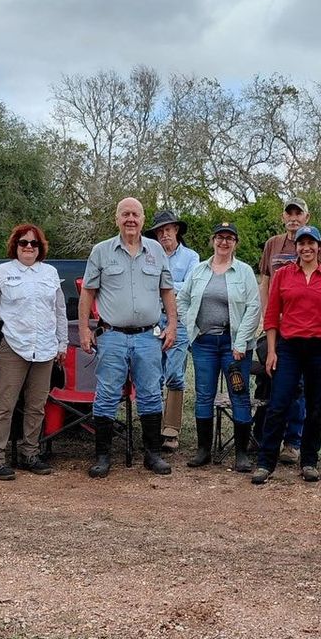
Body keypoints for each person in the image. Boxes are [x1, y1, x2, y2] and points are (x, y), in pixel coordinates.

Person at [79, 197, 178, 478]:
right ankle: (102, 457)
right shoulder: (101, 252)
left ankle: (152, 455)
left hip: (148, 337)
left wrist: (172, 325)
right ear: (117, 219)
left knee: (149, 394)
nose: (130, 219)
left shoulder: (156, 251)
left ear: (143, 219)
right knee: (107, 395)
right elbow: (88, 292)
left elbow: (167, 291)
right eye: (125, 214)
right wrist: (85, 329)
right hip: (112, 336)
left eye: (135, 214)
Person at [253, 225, 321, 485]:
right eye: (302, 244)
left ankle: (309, 461)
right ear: (297, 247)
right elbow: (272, 316)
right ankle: (265, 462)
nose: (306, 248)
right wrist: (271, 350)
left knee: (315, 408)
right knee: (278, 403)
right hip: (289, 347)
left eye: (311, 243)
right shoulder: (282, 275)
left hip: (320, 348)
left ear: (319, 247)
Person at [0, 224, 68, 480]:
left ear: (41, 247)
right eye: (23, 243)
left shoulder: (50, 273)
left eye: (34, 243)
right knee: (5, 405)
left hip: (46, 349)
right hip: (13, 347)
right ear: (14, 245)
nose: (29, 247)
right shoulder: (2, 272)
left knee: (37, 406)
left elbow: (59, 311)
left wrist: (62, 343)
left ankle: (30, 453)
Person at [177, 222, 261, 471]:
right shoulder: (200, 270)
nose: (224, 242)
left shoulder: (244, 271)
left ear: (235, 243)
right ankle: (203, 450)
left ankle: (241, 454)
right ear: (213, 240)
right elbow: (182, 299)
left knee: (239, 394)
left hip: (233, 344)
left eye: (229, 238)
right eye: (220, 237)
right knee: (204, 394)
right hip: (204, 342)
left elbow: (253, 308)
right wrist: (191, 326)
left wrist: (241, 342)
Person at [258, 197, 321, 464]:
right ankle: (264, 448)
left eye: (298, 213)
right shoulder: (273, 245)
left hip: (314, 336)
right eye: (289, 213)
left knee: (306, 395)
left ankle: (294, 443)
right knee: (275, 390)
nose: (293, 217)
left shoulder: (318, 244)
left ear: (306, 217)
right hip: (280, 329)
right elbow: (265, 282)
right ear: (283, 217)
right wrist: (270, 318)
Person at [144, 210, 199, 451]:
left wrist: (162, 286)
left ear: (176, 230)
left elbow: (190, 288)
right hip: (152, 320)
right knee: (152, 376)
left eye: (168, 229)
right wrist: (169, 289)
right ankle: (152, 427)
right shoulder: (148, 255)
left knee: (175, 375)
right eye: (160, 230)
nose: (164, 234)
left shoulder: (191, 257)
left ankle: (171, 430)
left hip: (180, 321)